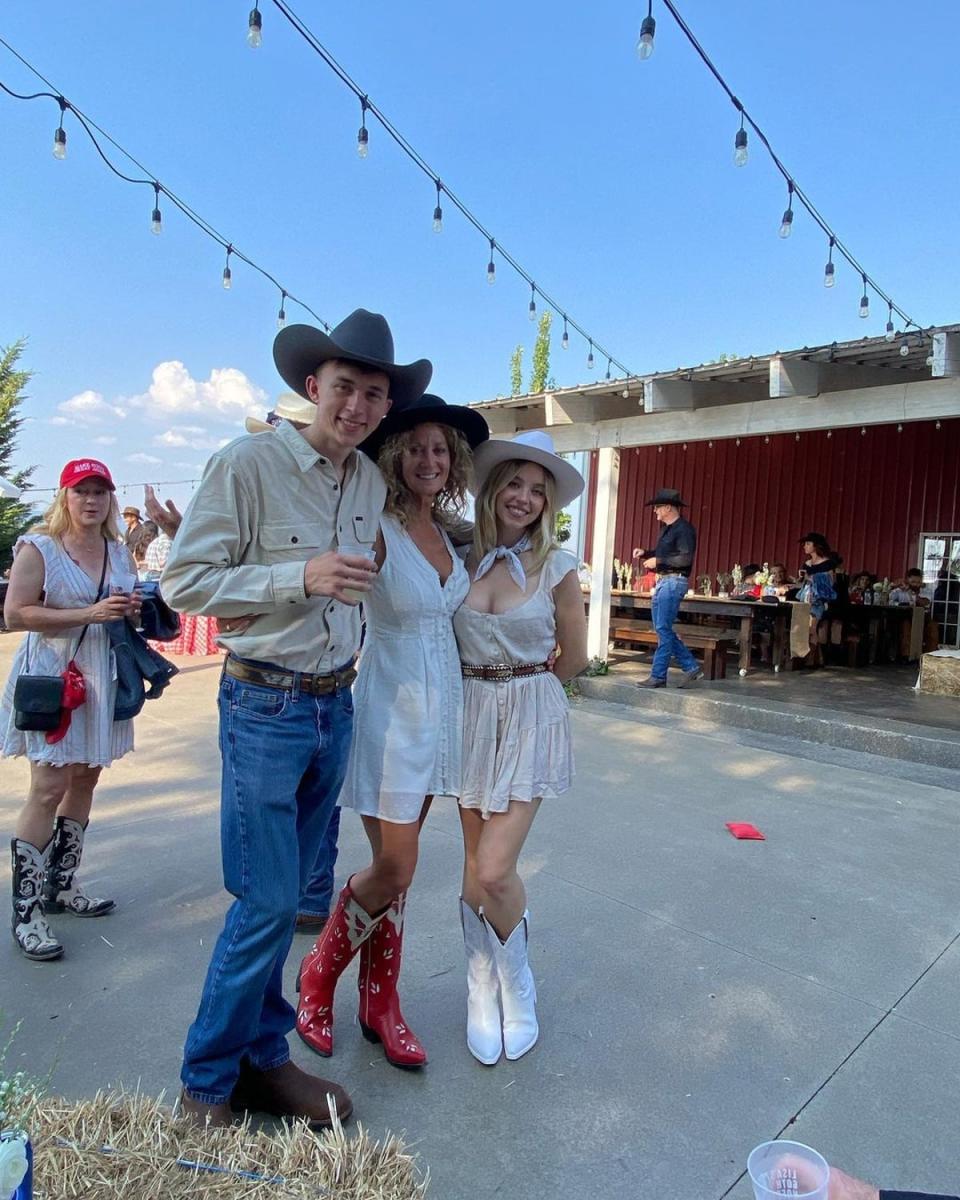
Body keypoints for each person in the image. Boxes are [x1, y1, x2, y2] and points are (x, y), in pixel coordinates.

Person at [161, 308, 431, 1130]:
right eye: (344, 387)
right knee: (266, 902)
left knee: (299, 899)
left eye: (374, 394)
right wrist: (297, 578)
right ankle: (206, 1080)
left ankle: (263, 1060)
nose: (356, 405)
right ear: (312, 386)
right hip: (264, 703)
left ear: (387, 408)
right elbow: (184, 585)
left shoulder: (371, 483)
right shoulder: (247, 465)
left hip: (332, 705)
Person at [296, 395, 488, 1069]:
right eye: (415, 448)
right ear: (394, 456)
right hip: (388, 710)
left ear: (453, 461)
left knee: (397, 874)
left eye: (440, 450)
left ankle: (382, 1002)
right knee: (396, 865)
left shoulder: (450, 531)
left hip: (445, 715)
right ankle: (319, 974)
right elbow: (334, 585)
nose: (429, 460)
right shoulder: (374, 526)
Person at [452, 431, 587, 1064]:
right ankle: (480, 987)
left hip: (529, 713)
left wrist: (528, 699)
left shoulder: (557, 568)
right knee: (472, 858)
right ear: (492, 486)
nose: (525, 498)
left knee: (494, 869)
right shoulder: (457, 557)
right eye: (515, 483)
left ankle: (516, 981)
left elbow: (577, 657)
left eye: (539, 491)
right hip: (468, 714)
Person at [1, 458, 140, 960]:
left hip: (101, 678)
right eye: (81, 491)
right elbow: (16, 614)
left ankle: (61, 887)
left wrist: (130, 611)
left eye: (100, 491)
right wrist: (89, 612)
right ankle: (26, 912)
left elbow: (121, 607)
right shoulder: (39, 547)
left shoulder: (118, 551)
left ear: (110, 499)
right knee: (47, 788)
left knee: (86, 779)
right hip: (53, 679)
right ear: (64, 497)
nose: (91, 500)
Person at [635, 487, 701, 689]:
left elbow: (685, 558)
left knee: (663, 628)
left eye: (657, 508)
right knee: (662, 628)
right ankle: (690, 666)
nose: (655, 511)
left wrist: (659, 560)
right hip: (664, 581)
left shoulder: (684, 530)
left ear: (668, 507)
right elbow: (664, 553)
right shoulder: (666, 529)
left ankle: (658, 676)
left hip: (674, 581)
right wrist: (647, 553)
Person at [797, 532, 837, 667]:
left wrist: (811, 577)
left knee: (811, 628)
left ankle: (810, 658)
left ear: (816, 546)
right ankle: (817, 658)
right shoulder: (806, 563)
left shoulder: (827, 563)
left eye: (808, 544)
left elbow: (830, 582)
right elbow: (803, 582)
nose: (805, 546)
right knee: (804, 627)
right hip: (805, 597)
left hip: (818, 600)